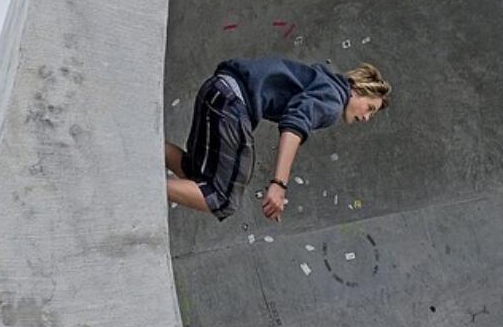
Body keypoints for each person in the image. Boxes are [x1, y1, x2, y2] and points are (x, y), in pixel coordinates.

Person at [165, 57, 391, 222]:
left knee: (197, 175)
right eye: (369, 107)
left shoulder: (324, 82)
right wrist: (278, 184)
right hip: (233, 104)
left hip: (217, 88)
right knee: (222, 199)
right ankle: (138, 190)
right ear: (356, 89)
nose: (366, 117)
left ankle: (140, 151)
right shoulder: (333, 102)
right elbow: (294, 127)